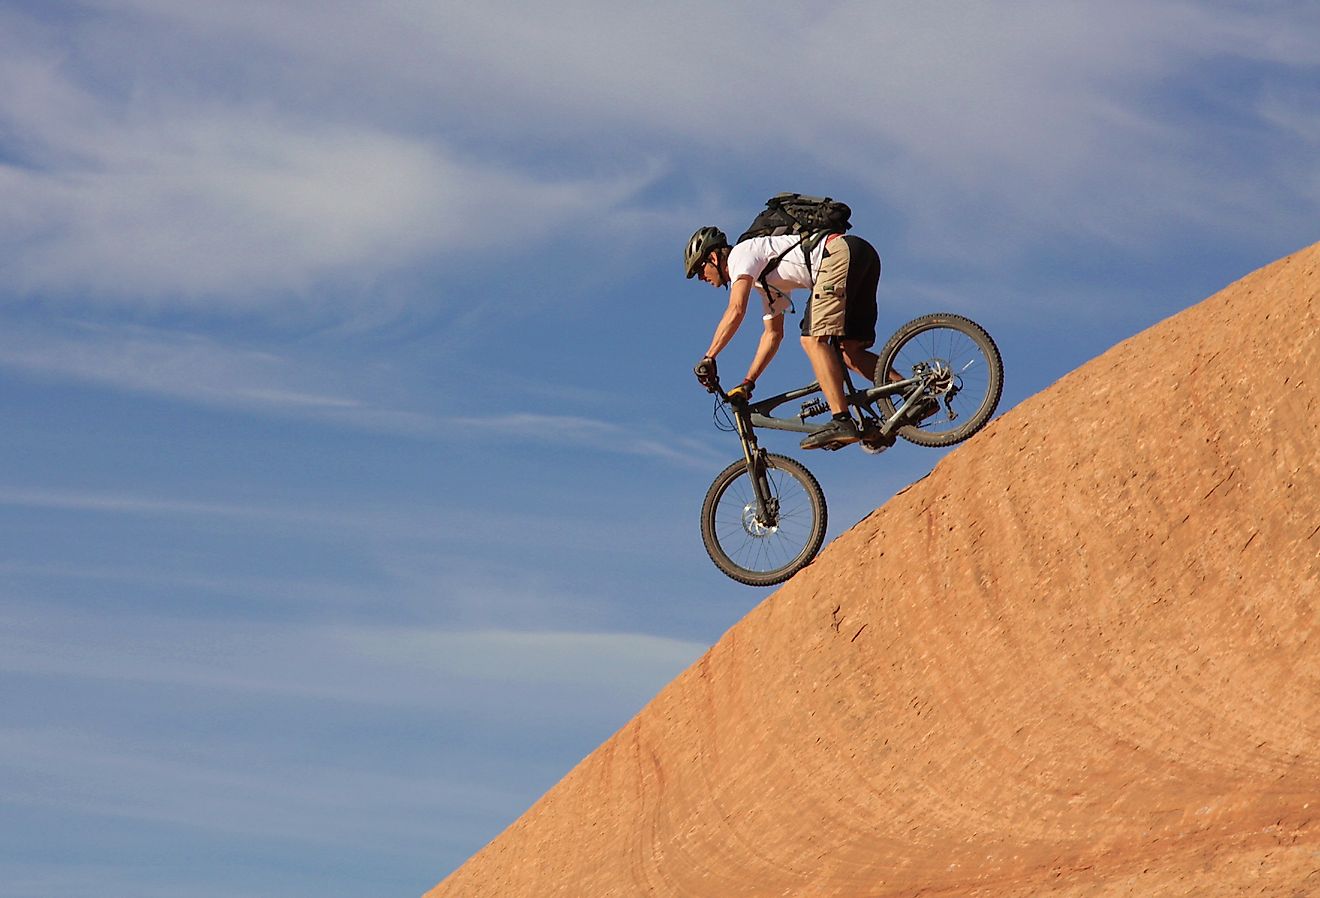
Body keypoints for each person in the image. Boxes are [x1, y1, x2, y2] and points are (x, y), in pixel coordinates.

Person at [685, 224, 883, 449]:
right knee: (849, 352)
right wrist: (748, 383)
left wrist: (709, 356)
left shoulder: (740, 254)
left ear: (713, 257)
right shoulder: (765, 281)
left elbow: (736, 309)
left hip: (836, 255)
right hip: (859, 253)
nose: (701, 278)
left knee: (812, 340)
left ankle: (841, 421)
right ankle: (913, 397)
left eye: (700, 270)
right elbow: (773, 335)